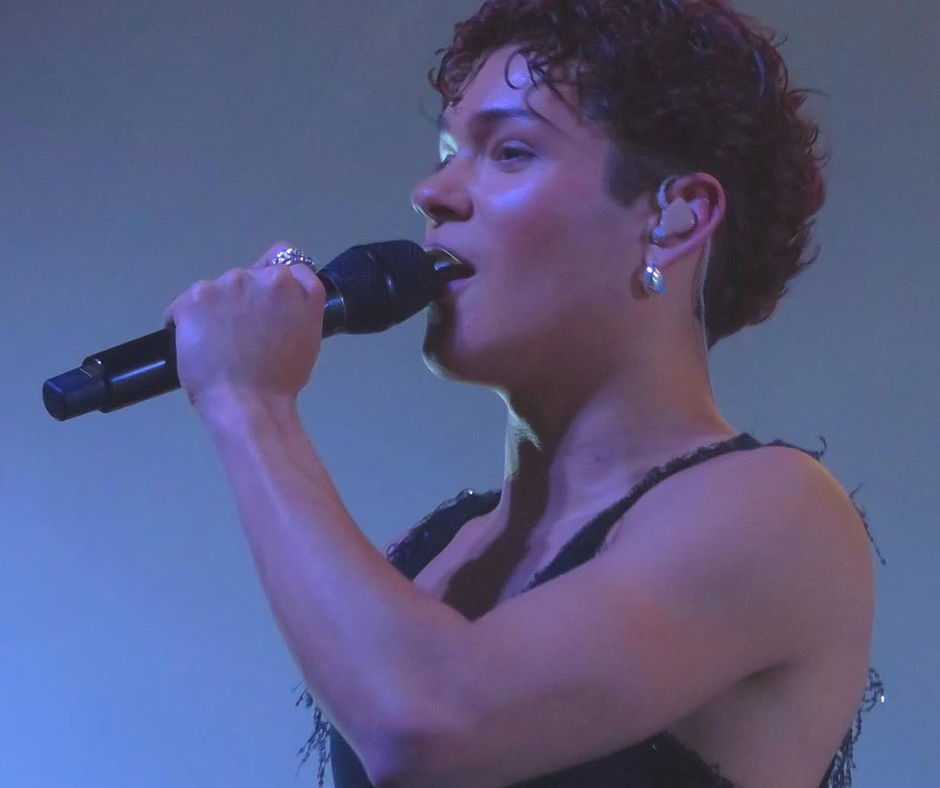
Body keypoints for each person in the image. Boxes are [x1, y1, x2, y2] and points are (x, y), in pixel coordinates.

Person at [164, 1, 882, 786]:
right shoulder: (441, 549)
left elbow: (427, 724)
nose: (431, 193)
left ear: (676, 218)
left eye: (509, 151)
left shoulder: (780, 512)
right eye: (447, 152)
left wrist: (250, 402)